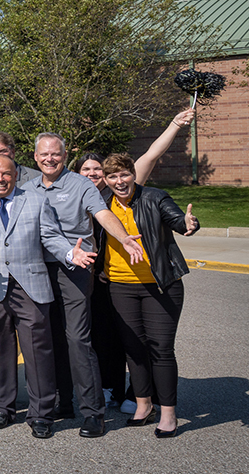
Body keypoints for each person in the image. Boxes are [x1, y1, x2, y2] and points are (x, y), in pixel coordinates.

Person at [0, 155, 96, 439]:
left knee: (38, 352)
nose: (0, 179)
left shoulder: (35, 200)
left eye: (6, 174)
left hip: (30, 286)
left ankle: (42, 414)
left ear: (15, 175)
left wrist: (71, 253)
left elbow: (50, 236)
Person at [31, 133, 147, 437]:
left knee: (77, 339)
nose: (50, 159)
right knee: (49, 338)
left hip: (75, 268)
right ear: (35, 157)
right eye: (44, 154)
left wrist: (123, 237)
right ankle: (61, 402)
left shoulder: (80, 184)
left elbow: (102, 213)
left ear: (64, 155)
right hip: (37, 269)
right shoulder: (27, 186)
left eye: (55, 154)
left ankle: (93, 412)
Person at [97, 154, 199, 438]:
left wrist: (189, 223)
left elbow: (178, 220)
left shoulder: (155, 198)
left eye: (125, 175)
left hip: (160, 285)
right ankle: (143, 405)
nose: (120, 181)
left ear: (133, 174)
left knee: (161, 349)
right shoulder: (103, 205)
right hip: (120, 286)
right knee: (134, 349)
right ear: (106, 181)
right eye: (113, 177)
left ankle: (168, 412)